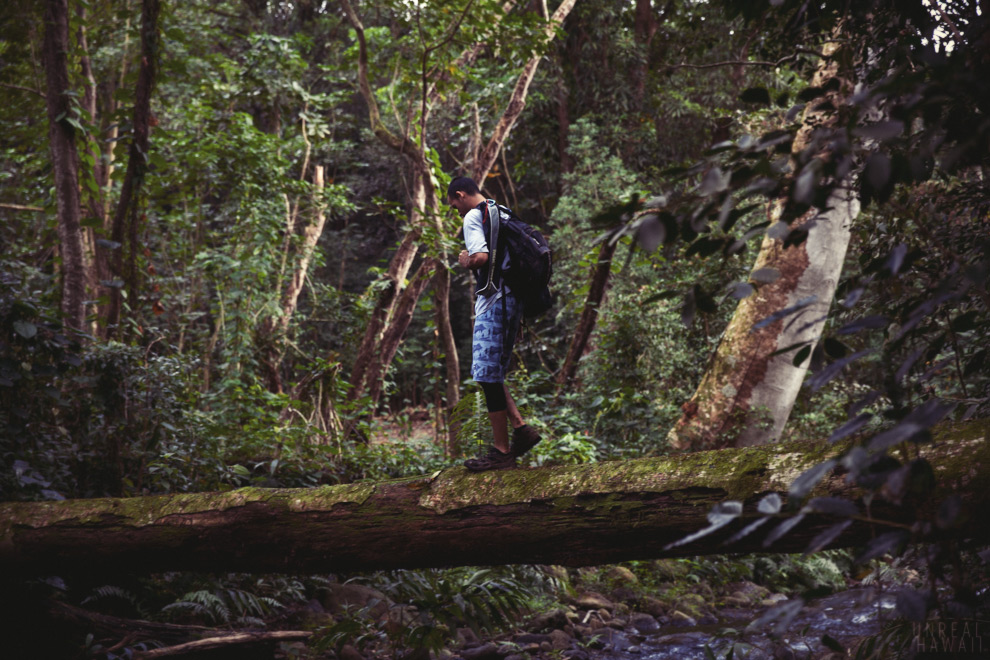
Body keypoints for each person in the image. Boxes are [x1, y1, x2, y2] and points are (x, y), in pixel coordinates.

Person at [447, 176, 541, 471]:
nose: (456, 211)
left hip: (495, 301)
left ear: (460, 195)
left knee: (486, 374)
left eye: (454, 205)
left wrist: (465, 259)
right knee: (492, 370)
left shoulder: (474, 216)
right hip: (513, 300)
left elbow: (481, 257)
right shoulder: (499, 210)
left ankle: (502, 452)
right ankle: (521, 429)